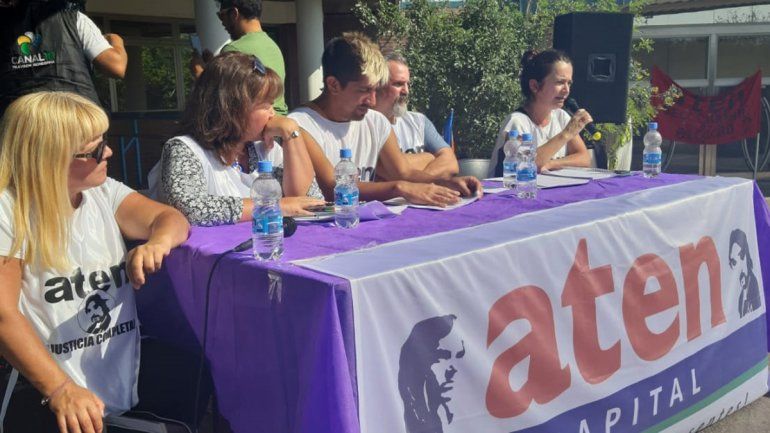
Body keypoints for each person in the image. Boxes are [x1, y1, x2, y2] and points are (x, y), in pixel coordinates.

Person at [0, 91, 190, 433]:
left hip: (118, 381)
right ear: (50, 158)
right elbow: (3, 315)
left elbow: (170, 218)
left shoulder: (102, 193)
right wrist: (59, 389)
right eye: (95, 149)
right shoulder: (8, 212)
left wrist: (157, 243)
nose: (109, 152)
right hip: (49, 395)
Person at [266, 32, 480, 207]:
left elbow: (403, 173)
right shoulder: (301, 124)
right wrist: (398, 188)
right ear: (333, 85)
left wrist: (448, 184)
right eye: (364, 90)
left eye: (376, 90)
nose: (372, 100)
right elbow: (333, 188)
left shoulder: (375, 121)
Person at [150, 52, 322, 226]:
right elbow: (190, 209)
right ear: (231, 108)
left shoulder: (265, 148)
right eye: (266, 105)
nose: (273, 114)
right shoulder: (184, 149)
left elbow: (305, 200)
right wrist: (276, 206)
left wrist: (291, 134)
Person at [0, 0, 128, 115]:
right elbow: (116, 66)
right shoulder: (75, 18)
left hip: (19, 129)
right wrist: (115, 40)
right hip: (76, 123)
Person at [488, 49, 592, 177]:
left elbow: (584, 158)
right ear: (534, 86)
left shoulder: (561, 116)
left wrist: (550, 164)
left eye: (569, 83)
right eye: (560, 82)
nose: (566, 90)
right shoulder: (517, 122)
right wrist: (566, 134)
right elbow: (524, 165)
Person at [191, 0, 288, 115]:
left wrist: (199, 73)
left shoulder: (234, 49)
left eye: (221, 15)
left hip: (255, 128)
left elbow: (219, 101)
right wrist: (214, 65)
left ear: (234, 14)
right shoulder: (273, 46)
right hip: (277, 122)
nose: (222, 23)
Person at [373, 53, 459, 178]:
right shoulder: (365, 124)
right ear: (378, 85)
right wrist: (429, 158)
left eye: (408, 84)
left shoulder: (418, 121)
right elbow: (382, 168)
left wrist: (418, 181)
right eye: (398, 84)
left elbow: (451, 162)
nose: (406, 91)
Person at [729, 229, 761, 318]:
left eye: (734, 262)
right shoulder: (741, 294)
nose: (733, 267)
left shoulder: (753, 285)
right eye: (731, 262)